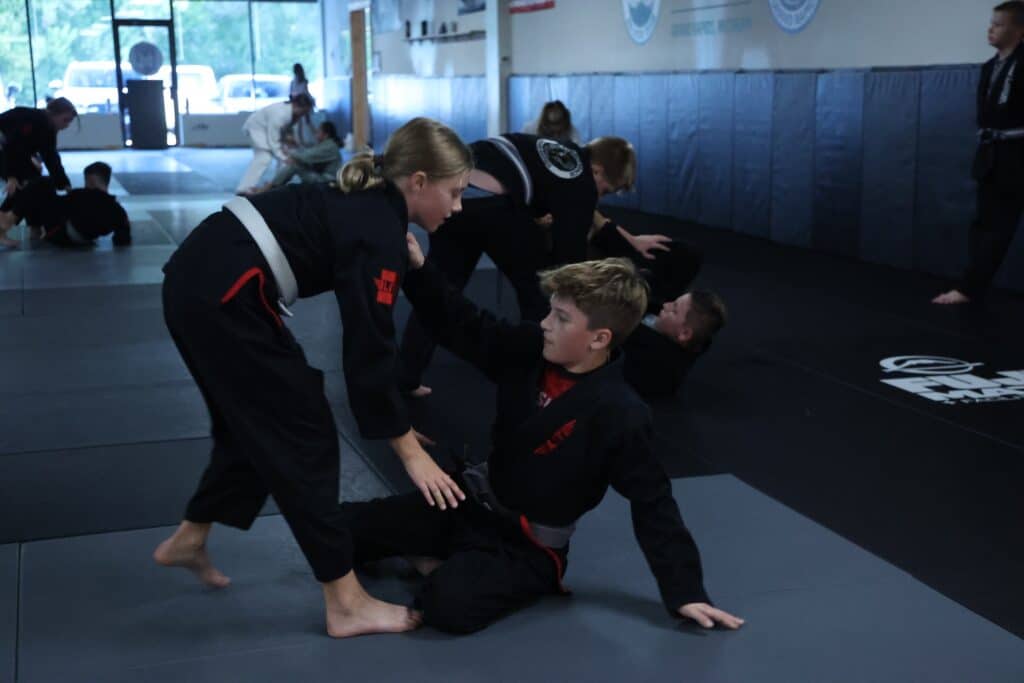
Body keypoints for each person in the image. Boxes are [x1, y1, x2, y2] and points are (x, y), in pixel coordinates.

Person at [152, 117, 471, 639]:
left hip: (201, 279)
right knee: (306, 433)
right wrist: (408, 451)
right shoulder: (379, 231)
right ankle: (345, 602)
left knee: (252, 421)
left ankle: (193, 534)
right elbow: (370, 347)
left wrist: (398, 252)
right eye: (454, 192)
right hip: (223, 293)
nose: (457, 207)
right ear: (418, 181)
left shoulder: (374, 215)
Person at [343, 247, 744, 635]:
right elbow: (465, 324)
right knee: (342, 530)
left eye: (562, 317)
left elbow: (653, 502)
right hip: (470, 504)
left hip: (527, 546)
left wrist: (685, 591)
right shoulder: (529, 349)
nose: (546, 323)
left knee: (447, 606)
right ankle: (438, 557)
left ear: (599, 339)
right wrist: (419, 268)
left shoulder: (619, 412)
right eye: (551, 310)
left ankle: (444, 565)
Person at [397, 133, 656, 396]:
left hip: (455, 195)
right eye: (606, 189)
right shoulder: (582, 182)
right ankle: (538, 380)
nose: (599, 197)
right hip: (494, 204)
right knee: (541, 290)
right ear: (597, 170)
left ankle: (406, 375)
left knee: (436, 286)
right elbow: (569, 255)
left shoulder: (559, 148)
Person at [933, 1, 1024, 305]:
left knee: (999, 226)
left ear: (1019, 30)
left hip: (1017, 155)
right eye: (992, 22)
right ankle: (972, 285)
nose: (991, 28)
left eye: (999, 24)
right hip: (990, 156)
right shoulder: (989, 67)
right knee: (983, 225)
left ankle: (970, 288)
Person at [586, 213, 725, 399]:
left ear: (684, 333)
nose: (666, 305)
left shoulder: (653, 367)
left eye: (674, 309)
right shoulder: (671, 323)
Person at [0, 161, 130, 248]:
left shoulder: (81, 195)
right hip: (83, 241)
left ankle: (10, 218)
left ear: (89, 180)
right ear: (107, 180)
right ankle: (21, 224)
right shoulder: (118, 210)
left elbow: (57, 207)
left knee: (42, 183)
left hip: (59, 235)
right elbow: (122, 239)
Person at [236, 93, 313, 194]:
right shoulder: (280, 114)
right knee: (264, 157)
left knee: (285, 156)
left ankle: (278, 185)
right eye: (304, 111)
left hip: (266, 129)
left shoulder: (292, 112)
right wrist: (283, 156)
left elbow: (285, 131)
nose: (305, 113)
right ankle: (244, 189)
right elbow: (273, 139)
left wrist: (287, 146)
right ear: (297, 105)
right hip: (257, 129)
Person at [0, 97, 77, 197]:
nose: (67, 125)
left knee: (34, 181)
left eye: (69, 122)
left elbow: (51, 157)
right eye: (65, 120)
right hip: (6, 147)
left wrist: (64, 184)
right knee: (24, 180)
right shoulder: (31, 119)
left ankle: (14, 209)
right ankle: (9, 211)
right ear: (52, 114)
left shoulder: (48, 130)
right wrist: (11, 176)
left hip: (11, 149)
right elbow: (12, 146)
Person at [248, 121, 342, 193]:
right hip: (324, 177)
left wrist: (289, 152)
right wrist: (295, 150)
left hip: (327, 182)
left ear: (326, 134)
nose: (316, 134)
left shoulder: (329, 147)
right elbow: (308, 155)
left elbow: (306, 156)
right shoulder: (327, 144)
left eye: (318, 132)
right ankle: (272, 185)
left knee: (295, 165)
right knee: (296, 162)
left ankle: (270, 187)